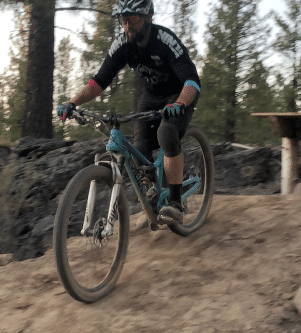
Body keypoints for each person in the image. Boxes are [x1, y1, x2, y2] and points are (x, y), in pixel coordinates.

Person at [56, 0, 201, 224]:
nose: (127, 26)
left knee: (166, 133)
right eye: (123, 20)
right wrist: (72, 103)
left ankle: (175, 203)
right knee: (139, 148)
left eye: (132, 19)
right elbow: (99, 81)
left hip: (179, 94)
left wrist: (180, 103)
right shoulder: (122, 44)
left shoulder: (165, 40)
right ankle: (154, 200)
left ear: (148, 18)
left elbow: (191, 80)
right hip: (151, 96)